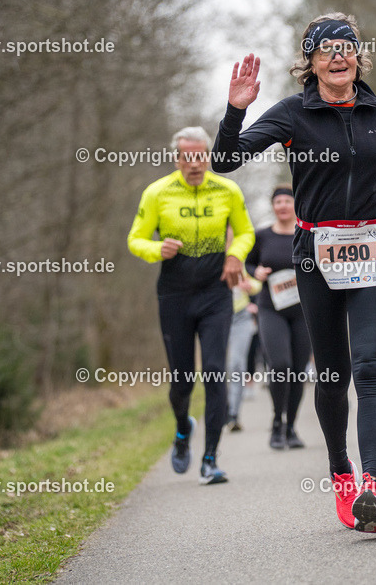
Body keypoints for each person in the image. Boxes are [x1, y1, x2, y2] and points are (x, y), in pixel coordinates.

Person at [212, 13, 376, 533]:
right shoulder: (292, 114)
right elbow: (225, 159)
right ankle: (342, 473)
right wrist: (235, 111)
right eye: (326, 48)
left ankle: (372, 486)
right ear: (309, 63)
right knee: (332, 375)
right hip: (317, 251)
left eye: (347, 46)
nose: (339, 55)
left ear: (359, 57)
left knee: (371, 366)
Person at [127, 126, 255, 485]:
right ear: (177, 158)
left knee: (215, 372)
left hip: (216, 293)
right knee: (181, 380)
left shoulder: (227, 190)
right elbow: (135, 239)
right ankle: (183, 428)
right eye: (188, 157)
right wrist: (157, 249)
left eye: (201, 156)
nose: (195, 164)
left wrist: (235, 255)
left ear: (208, 156)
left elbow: (246, 232)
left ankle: (210, 458)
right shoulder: (157, 193)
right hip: (175, 293)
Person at [245, 185, 312, 450]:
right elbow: (248, 263)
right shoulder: (262, 235)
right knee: (281, 365)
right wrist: (256, 272)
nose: (282, 205)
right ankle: (276, 423)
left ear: (295, 204)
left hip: (303, 311)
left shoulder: (306, 232)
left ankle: (291, 427)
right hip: (271, 309)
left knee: (297, 371)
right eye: (278, 202)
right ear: (273, 206)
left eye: (287, 201)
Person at [226, 267, 262, 432]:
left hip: (240, 318)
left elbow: (255, 282)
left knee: (236, 364)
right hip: (215, 316)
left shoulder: (238, 256)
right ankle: (221, 410)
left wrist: (250, 286)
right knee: (215, 366)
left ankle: (233, 414)